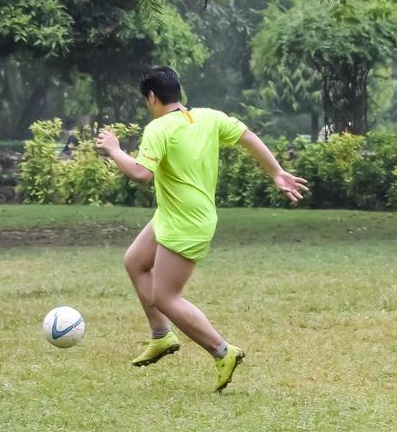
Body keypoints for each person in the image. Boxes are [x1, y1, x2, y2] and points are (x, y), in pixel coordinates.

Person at [95, 65, 307, 391]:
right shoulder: (207, 117)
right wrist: (276, 172)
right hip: (177, 214)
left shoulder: (159, 129)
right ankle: (161, 336)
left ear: (151, 97)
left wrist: (114, 150)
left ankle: (223, 351)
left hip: (185, 223)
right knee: (135, 261)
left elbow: (141, 174)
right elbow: (248, 137)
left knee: (164, 297)